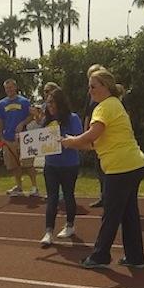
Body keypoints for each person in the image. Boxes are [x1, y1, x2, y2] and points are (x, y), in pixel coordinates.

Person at [61, 68, 144, 269]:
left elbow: (91, 135)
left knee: (111, 213)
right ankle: (136, 257)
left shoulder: (104, 108)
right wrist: (68, 142)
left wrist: (72, 141)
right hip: (133, 164)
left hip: (121, 168)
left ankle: (100, 255)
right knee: (128, 213)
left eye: (93, 86)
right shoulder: (114, 104)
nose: (89, 90)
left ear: (105, 87)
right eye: (89, 86)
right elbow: (93, 144)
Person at [38, 89, 82, 247]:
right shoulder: (46, 120)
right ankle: (48, 232)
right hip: (51, 165)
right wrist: (25, 141)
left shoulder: (73, 118)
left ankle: (70, 225)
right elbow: (39, 141)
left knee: (69, 195)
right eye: (47, 102)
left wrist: (64, 140)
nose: (49, 106)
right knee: (52, 198)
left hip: (69, 165)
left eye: (52, 102)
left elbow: (79, 139)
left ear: (60, 103)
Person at [0, 78, 39, 197]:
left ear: (15, 87)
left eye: (10, 87)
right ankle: (19, 186)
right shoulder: (1, 104)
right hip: (8, 139)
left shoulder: (24, 101)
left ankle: (34, 187)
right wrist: (1, 136)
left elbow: (32, 116)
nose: (9, 90)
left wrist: (22, 123)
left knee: (28, 164)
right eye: (6, 88)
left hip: (23, 138)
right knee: (14, 165)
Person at [82, 64, 106, 208]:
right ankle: (103, 196)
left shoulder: (110, 95)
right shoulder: (90, 95)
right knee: (99, 168)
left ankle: (110, 197)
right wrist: (85, 133)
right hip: (93, 133)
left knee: (107, 167)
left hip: (104, 134)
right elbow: (87, 114)